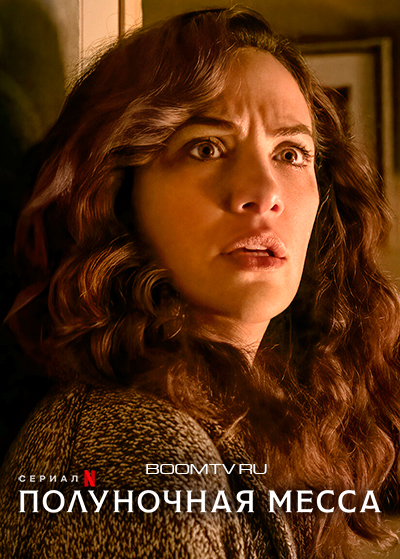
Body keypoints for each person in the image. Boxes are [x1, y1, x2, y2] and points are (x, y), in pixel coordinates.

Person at [1, 7, 400, 559]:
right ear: (118, 192)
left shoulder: (253, 421)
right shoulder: (134, 451)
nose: (264, 192)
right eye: (206, 147)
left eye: (290, 153)